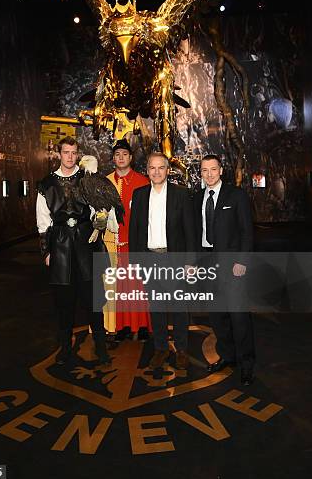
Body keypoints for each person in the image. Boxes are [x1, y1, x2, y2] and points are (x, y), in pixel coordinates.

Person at [36, 136, 110, 366]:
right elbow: (43, 222)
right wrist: (46, 252)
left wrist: (100, 222)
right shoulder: (46, 184)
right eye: (65, 152)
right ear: (59, 154)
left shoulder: (87, 179)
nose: (69, 157)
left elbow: (100, 209)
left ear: (78, 153)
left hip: (86, 244)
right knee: (64, 301)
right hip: (59, 245)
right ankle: (65, 348)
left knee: (93, 299)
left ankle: (100, 345)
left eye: (73, 152)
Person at [129, 152, 196, 370]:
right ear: (147, 170)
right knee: (156, 307)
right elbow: (135, 230)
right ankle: (160, 348)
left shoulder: (181, 195)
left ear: (168, 170)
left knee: (178, 307)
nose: (156, 172)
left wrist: (190, 262)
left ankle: (182, 349)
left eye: (161, 168)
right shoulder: (139, 195)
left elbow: (190, 232)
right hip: (149, 259)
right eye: (152, 168)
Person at [193, 154, 255, 386]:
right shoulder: (197, 197)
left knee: (239, 317)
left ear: (221, 171)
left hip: (232, 266)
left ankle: (247, 365)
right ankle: (228, 356)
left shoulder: (236, 195)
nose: (209, 174)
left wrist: (242, 261)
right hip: (207, 265)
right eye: (204, 170)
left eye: (213, 169)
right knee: (217, 317)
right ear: (201, 173)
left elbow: (247, 231)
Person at [103, 138, 151, 341]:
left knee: (139, 286)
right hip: (113, 244)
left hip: (136, 243)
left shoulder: (143, 181)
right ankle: (121, 326)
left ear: (131, 157)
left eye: (124, 154)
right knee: (119, 287)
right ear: (113, 159)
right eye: (117, 155)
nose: (121, 158)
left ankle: (142, 326)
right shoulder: (105, 182)